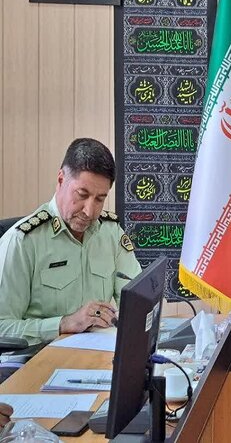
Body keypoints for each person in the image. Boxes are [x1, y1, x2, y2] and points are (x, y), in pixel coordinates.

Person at [0, 138, 142, 344]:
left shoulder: (111, 233)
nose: (89, 211)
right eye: (82, 194)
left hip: (98, 352)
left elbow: (137, 301)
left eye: (100, 199)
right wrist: (63, 324)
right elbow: (2, 327)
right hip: (40, 358)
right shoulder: (22, 241)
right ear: (60, 180)